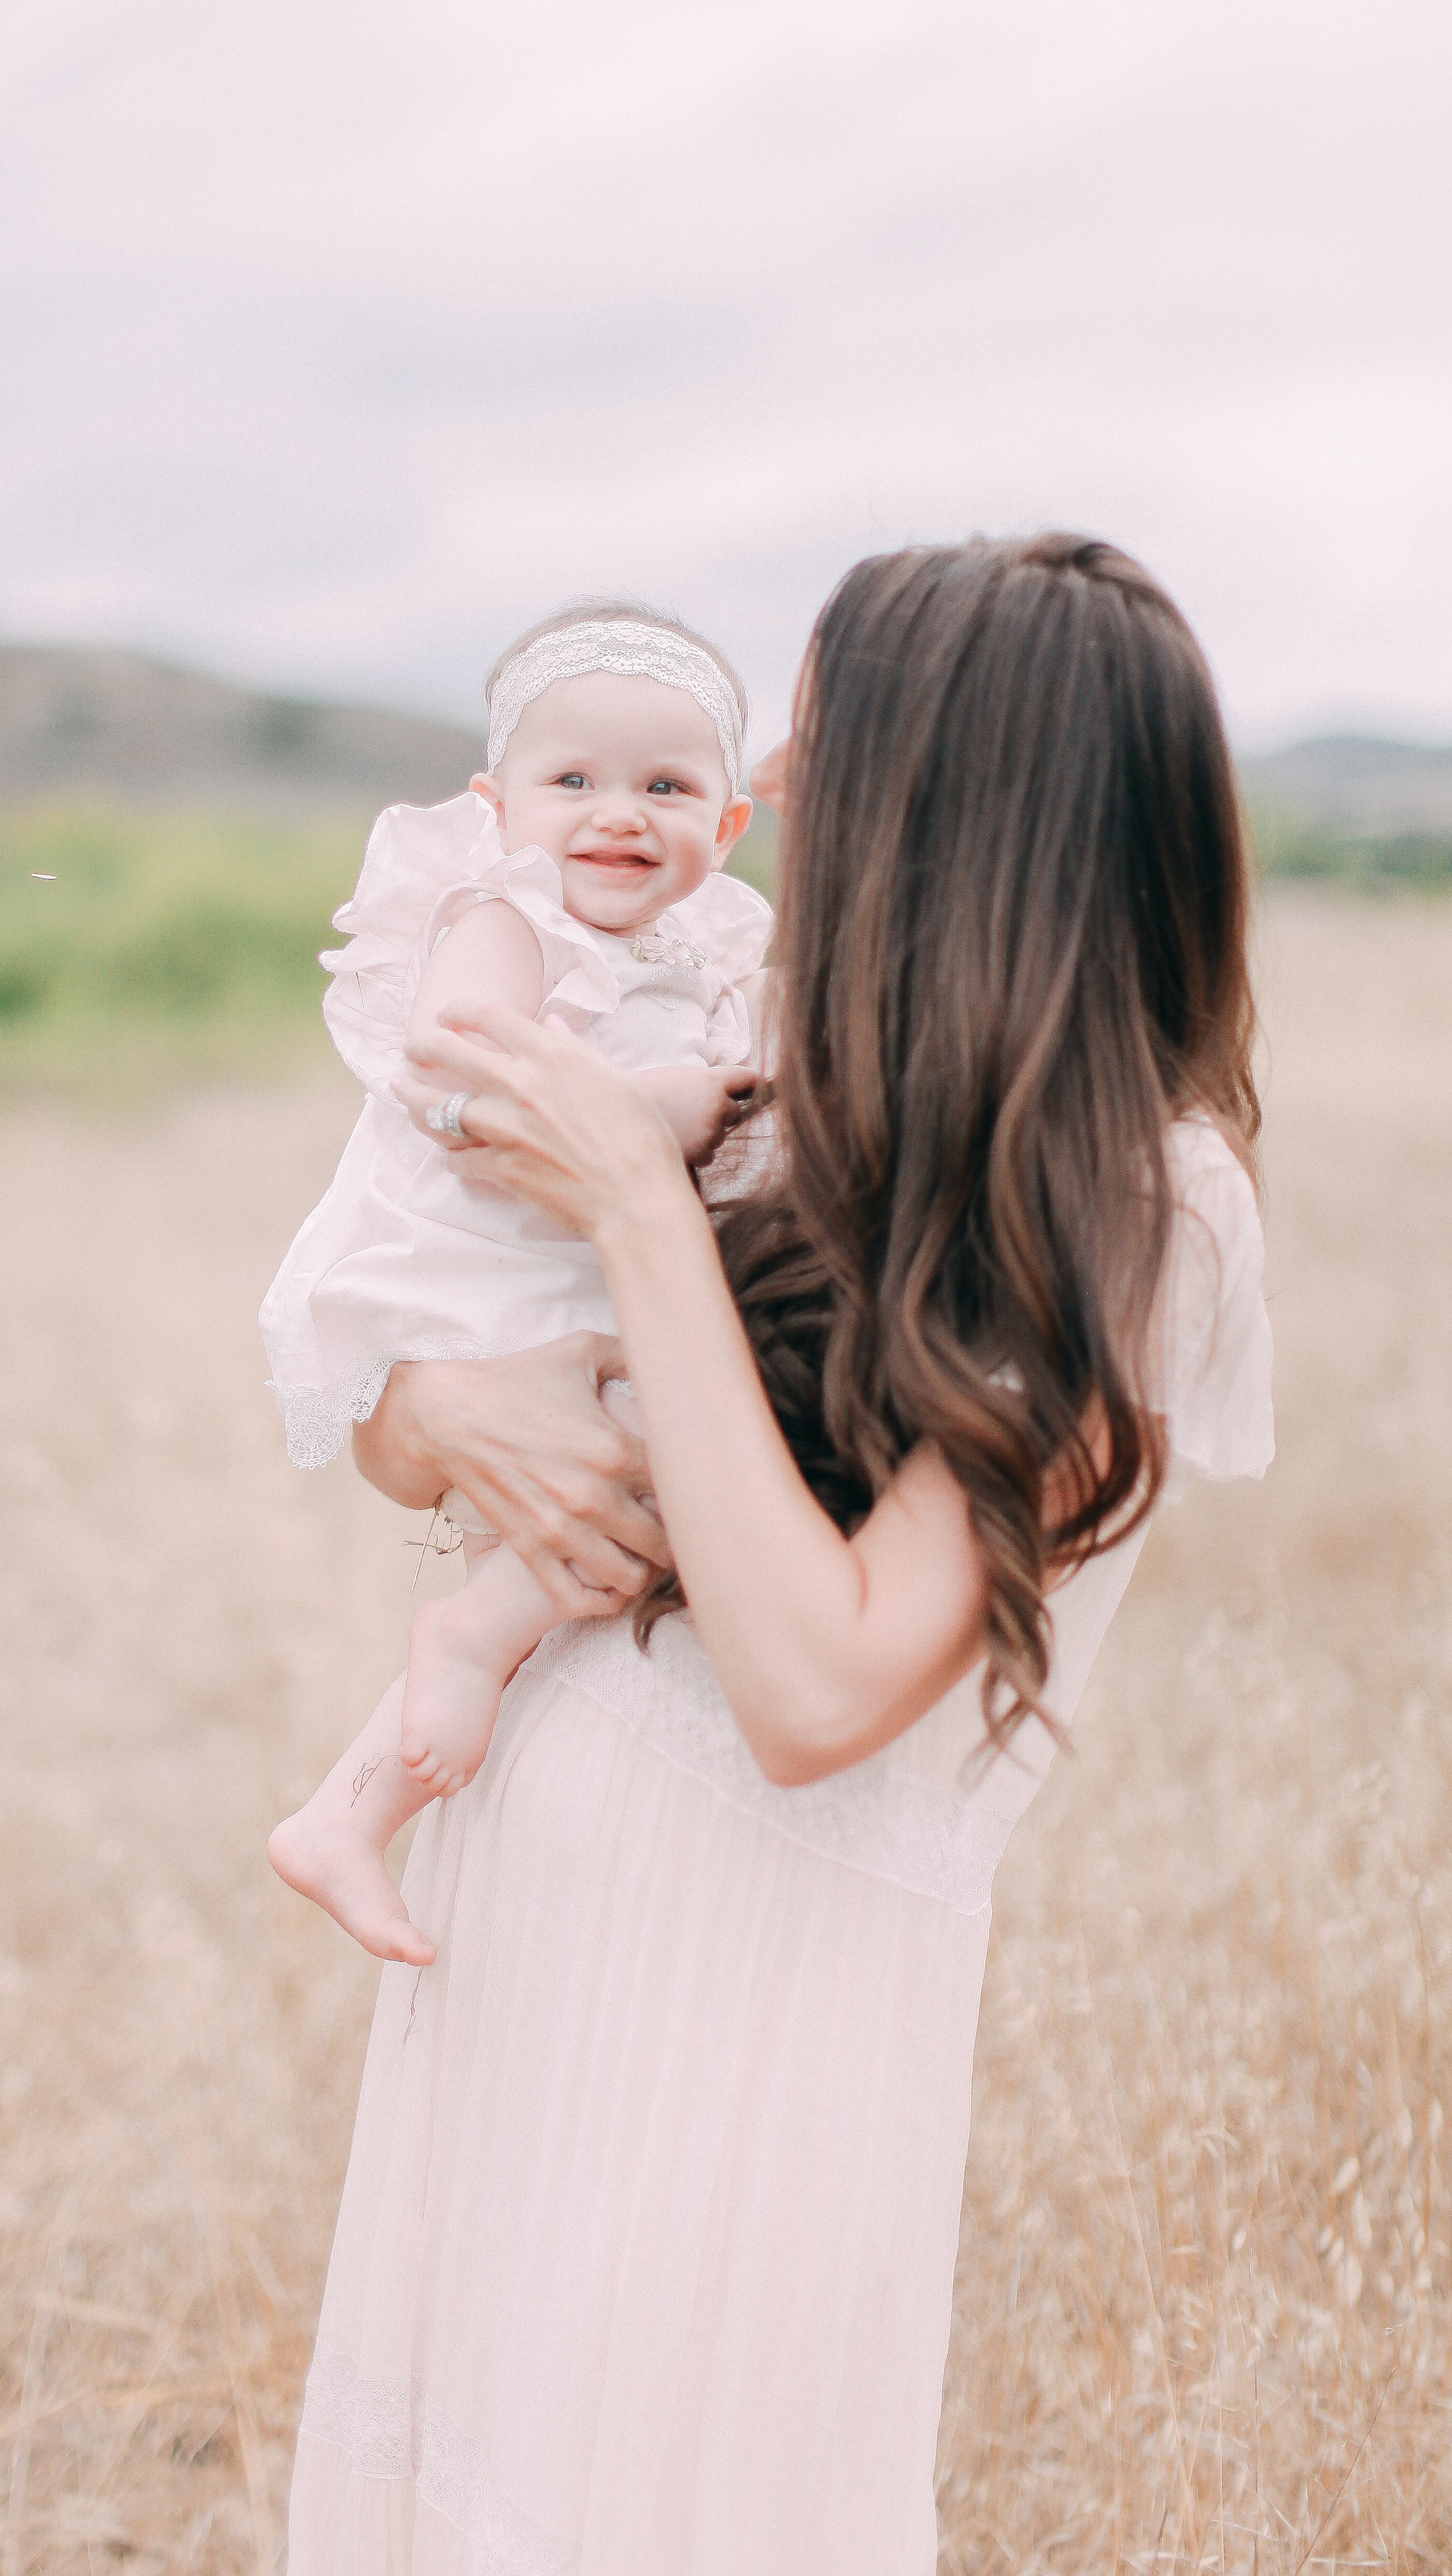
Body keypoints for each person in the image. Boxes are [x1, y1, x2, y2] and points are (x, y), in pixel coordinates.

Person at [284, 535, 1275, 2575]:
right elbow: (428, 1409)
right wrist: (439, 1409)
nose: (773, 777)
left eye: (817, 733)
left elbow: (817, 1685)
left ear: (940, 814)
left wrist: (642, 1208)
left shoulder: (1137, 1209)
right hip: (529, 1957)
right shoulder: (803, 1097)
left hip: (748, 2018)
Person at [263, 605, 772, 1965]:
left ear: (726, 829)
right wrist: (653, 1099)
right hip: (485, 1264)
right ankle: (471, 1645)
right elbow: (456, 1053)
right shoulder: (508, 907)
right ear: (496, 811)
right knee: (633, 1488)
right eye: (575, 781)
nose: (619, 812)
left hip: (584, 1268)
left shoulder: (711, 949)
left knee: (609, 1524)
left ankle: (349, 1812)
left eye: (667, 787)